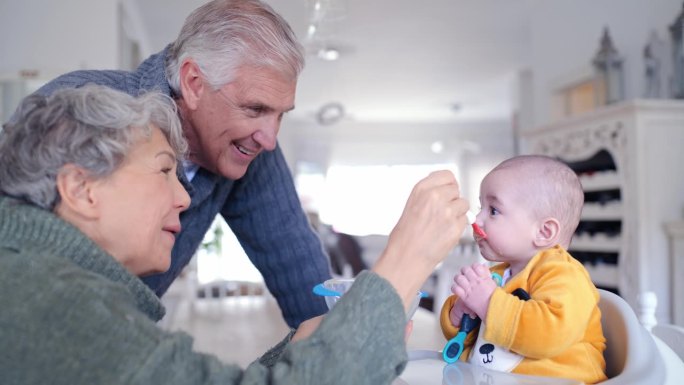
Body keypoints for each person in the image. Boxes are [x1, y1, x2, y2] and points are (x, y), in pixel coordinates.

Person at [0, 85, 470, 384]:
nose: (185, 198)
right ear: (82, 189)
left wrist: (303, 346)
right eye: (164, 171)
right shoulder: (49, 302)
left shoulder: (33, 276)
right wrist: (406, 259)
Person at [27, 0, 330, 328]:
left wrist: (344, 349)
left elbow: (295, 259)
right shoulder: (74, 106)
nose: (270, 140)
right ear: (194, 83)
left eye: (281, 114)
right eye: (255, 109)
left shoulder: (247, 144)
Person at [439, 155, 607, 384]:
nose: (477, 219)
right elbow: (472, 341)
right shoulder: (497, 275)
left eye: (494, 210)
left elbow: (549, 334)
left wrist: (488, 303)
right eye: (481, 207)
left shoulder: (565, 276)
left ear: (544, 232)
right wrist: (460, 314)